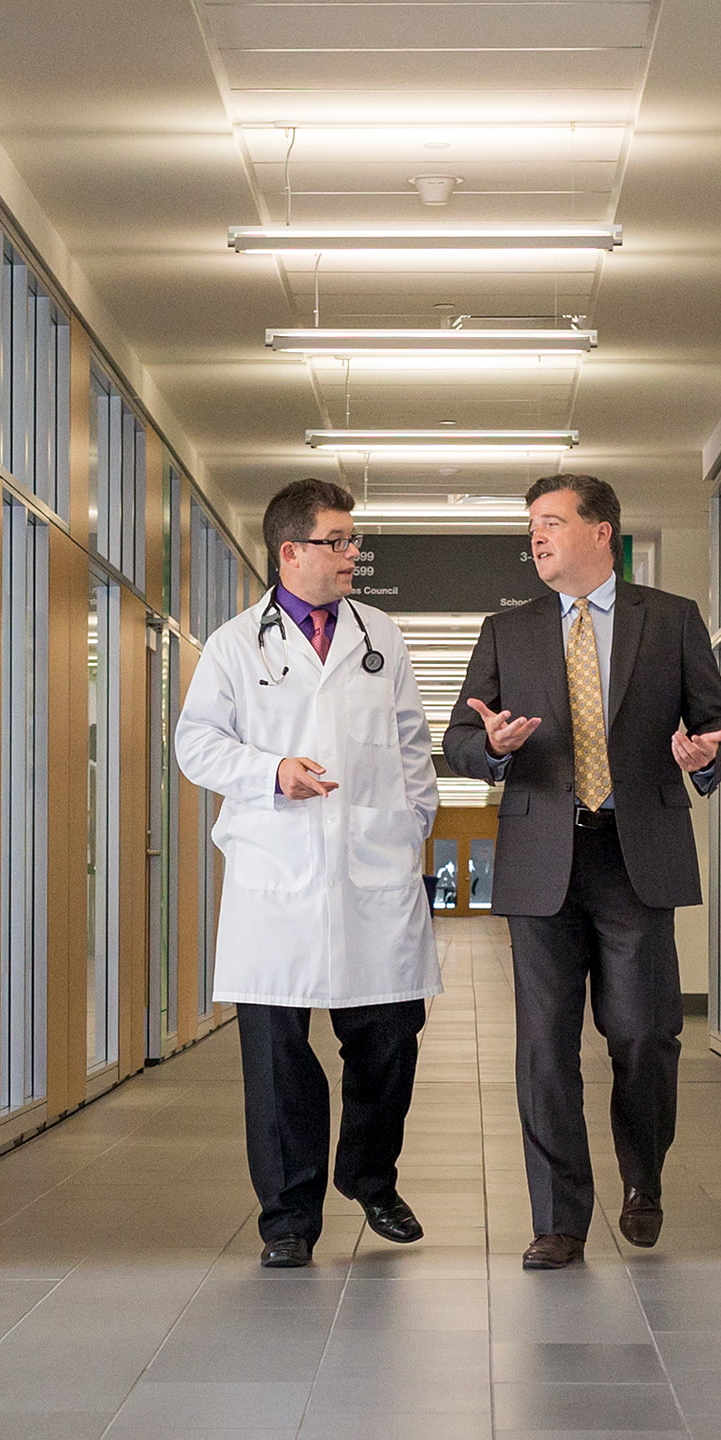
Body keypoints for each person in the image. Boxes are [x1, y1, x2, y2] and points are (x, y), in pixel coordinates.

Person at [442, 474, 721, 1270]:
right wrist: (493, 749)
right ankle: (559, 1220)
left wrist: (706, 755)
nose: (536, 538)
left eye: (551, 522)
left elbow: (719, 723)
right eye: (531, 527)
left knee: (644, 1034)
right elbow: (458, 741)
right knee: (544, 1046)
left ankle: (643, 1181)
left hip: (634, 854)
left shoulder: (669, 619)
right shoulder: (507, 631)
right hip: (543, 856)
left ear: (601, 531)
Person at [175, 478, 441, 1268]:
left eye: (353, 541)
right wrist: (271, 770)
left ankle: (368, 1174)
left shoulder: (381, 637)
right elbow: (197, 744)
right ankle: (288, 1220)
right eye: (338, 542)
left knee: (391, 1037)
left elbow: (412, 747)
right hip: (275, 876)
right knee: (278, 1057)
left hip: (374, 871)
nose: (352, 554)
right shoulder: (232, 644)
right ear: (291, 552)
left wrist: (406, 828)